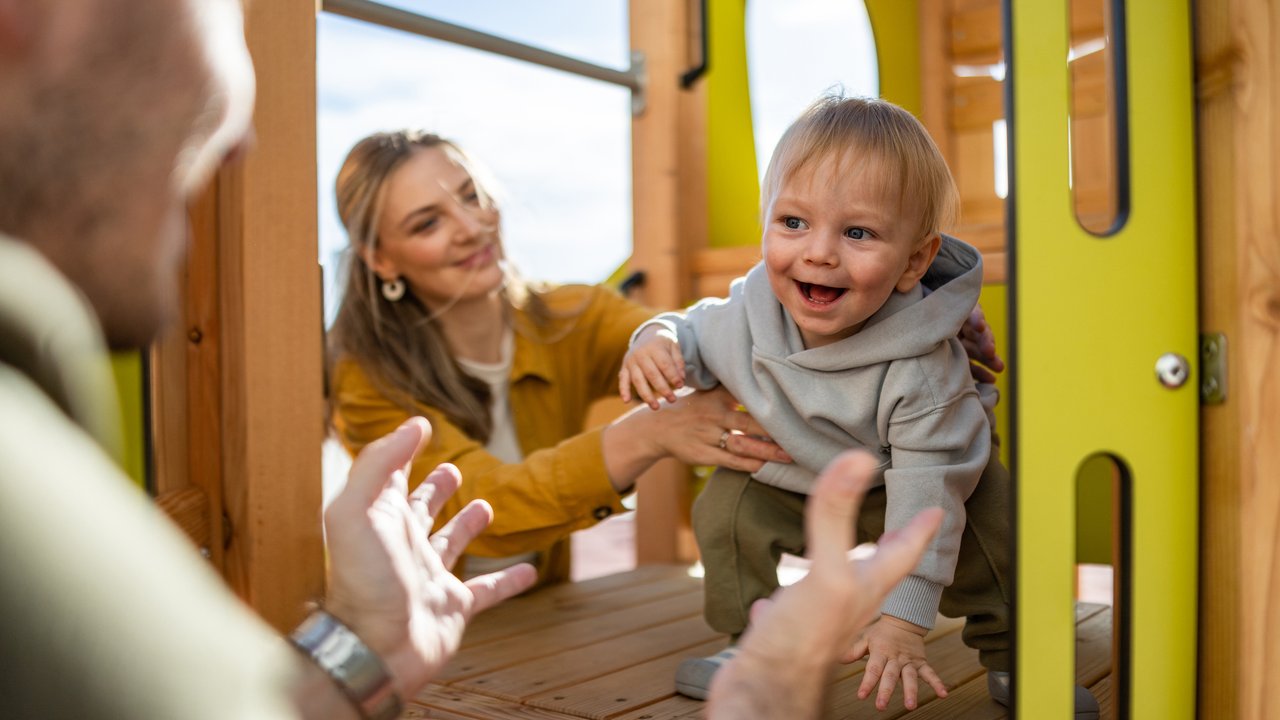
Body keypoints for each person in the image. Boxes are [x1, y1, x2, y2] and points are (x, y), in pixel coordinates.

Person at [325, 129, 1008, 587]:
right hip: (413, 617)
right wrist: (646, 435)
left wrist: (907, 312)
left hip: (542, 602)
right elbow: (477, 508)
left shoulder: (567, 316)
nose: (471, 225)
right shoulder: (367, 379)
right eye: (427, 221)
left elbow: (718, 338)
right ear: (381, 258)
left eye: (469, 195)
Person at [622, 96, 1098, 718]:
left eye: (857, 232)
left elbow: (928, 490)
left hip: (931, 481)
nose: (819, 252)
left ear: (914, 261)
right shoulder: (750, 312)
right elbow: (691, 328)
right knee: (726, 510)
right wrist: (653, 341)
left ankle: (1017, 654)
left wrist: (901, 621)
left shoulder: (921, 367)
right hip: (801, 475)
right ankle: (751, 640)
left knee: (992, 535)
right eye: (793, 222)